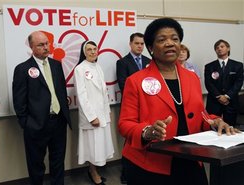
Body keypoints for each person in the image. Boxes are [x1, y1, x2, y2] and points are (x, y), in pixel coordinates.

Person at [118, 18, 240, 185]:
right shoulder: (136, 80)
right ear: (151, 48)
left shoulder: (191, 78)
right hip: (150, 163)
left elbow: (199, 114)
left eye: (175, 39)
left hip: (191, 157)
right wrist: (147, 131)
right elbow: (125, 124)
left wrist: (214, 121)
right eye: (162, 40)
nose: (170, 43)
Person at [12, 31, 71, 185]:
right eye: (41, 45)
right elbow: (19, 101)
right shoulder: (22, 69)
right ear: (32, 47)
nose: (46, 47)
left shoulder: (56, 65)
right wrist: (27, 123)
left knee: (58, 162)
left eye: (47, 43)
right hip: (36, 125)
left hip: (58, 121)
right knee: (36, 165)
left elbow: (61, 91)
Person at [74, 41, 114, 185]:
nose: (92, 52)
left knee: (100, 146)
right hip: (91, 115)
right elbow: (82, 95)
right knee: (92, 146)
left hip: (102, 113)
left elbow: (104, 93)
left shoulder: (98, 67)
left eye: (94, 49)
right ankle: (93, 172)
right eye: (89, 49)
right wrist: (92, 117)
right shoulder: (79, 69)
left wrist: (107, 110)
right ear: (84, 52)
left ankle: (94, 170)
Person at [116, 32, 150, 184]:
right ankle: (126, 174)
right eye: (137, 43)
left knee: (146, 139)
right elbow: (123, 85)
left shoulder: (149, 61)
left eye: (142, 44)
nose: (140, 46)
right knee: (130, 140)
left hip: (149, 107)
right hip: (132, 107)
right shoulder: (123, 62)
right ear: (130, 44)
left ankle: (145, 170)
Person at [204, 39, 244, 127]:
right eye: (217, 47)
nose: (219, 49)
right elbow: (208, 83)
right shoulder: (209, 66)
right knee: (212, 128)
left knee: (230, 127)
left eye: (222, 46)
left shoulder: (238, 65)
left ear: (228, 48)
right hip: (214, 102)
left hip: (231, 101)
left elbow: (238, 82)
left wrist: (227, 96)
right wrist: (219, 96)